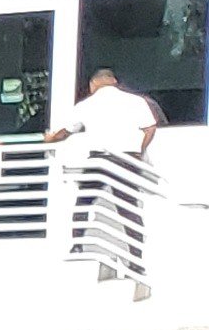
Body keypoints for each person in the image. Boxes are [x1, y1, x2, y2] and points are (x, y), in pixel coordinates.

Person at [45, 64, 164, 271]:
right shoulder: (136, 101)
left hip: (99, 160)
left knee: (84, 202)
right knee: (129, 208)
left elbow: (65, 131)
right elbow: (150, 127)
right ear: (115, 82)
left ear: (93, 84)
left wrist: (50, 139)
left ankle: (77, 246)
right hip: (126, 159)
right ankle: (136, 260)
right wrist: (139, 150)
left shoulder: (87, 105)